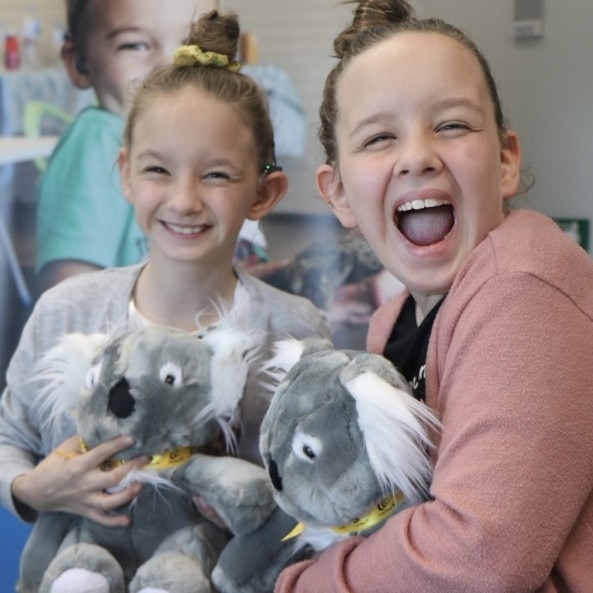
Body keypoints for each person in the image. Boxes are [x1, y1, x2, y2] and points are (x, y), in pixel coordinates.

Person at [0, 9, 329, 592]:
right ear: (125, 174)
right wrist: (32, 489)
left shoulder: (293, 333)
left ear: (264, 191)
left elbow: (318, 487)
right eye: (157, 169)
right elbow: (9, 438)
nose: (183, 200)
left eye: (217, 176)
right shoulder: (65, 313)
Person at [275, 1, 593, 592]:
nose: (418, 156)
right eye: (378, 137)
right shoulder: (391, 321)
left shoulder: (526, 288)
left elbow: (476, 557)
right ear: (338, 192)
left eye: (451, 125)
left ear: (504, 160)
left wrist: (302, 584)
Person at [35, 0, 219, 294]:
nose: (169, 68)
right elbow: (69, 295)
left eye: (192, 45)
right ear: (79, 62)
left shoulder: (184, 146)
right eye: (135, 46)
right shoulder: (99, 141)